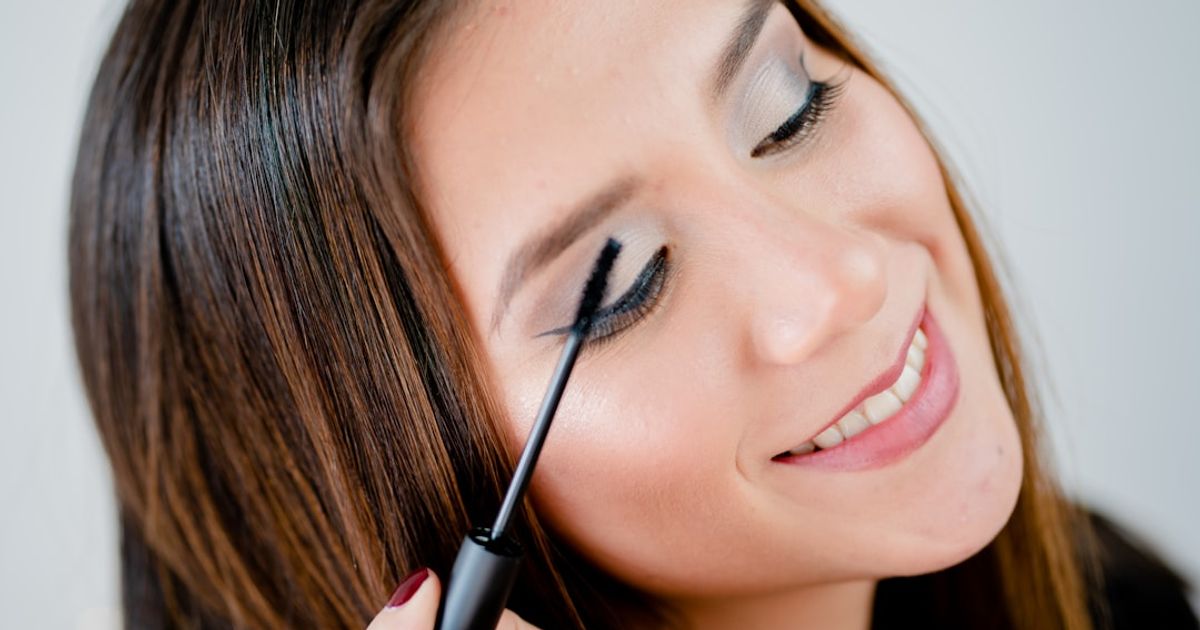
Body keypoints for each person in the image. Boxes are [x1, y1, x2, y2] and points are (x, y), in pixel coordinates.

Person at [68, 0, 1197, 628]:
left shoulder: (1127, 604)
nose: (840, 281)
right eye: (633, 288)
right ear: (395, 488)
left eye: (787, 111)